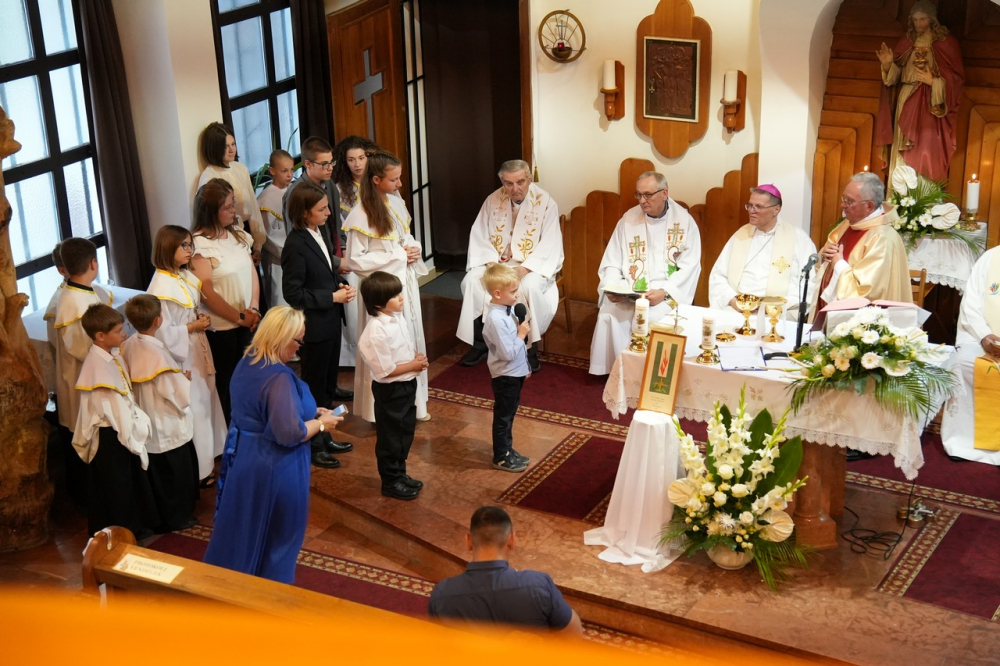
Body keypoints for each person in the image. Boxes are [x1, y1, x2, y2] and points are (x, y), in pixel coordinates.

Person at [203, 307, 344, 583]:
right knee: (280, 537)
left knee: (241, 530)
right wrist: (322, 424)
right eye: (298, 340)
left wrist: (308, 410)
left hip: (245, 459)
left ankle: (229, 587)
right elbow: (289, 433)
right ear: (281, 338)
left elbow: (262, 409)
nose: (300, 347)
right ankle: (269, 595)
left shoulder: (249, 360)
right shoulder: (278, 377)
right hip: (276, 466)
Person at [343, 150, 430, 423]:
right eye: (394, 180)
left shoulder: (395, 203)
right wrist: (399, 256)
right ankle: (379, 411)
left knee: (408, 336)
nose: (400, 184)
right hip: (381, 290)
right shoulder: (361, 213)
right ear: (376, 179)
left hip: (405, 283)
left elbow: (406, 236)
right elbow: (355, 260)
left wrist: (413, 249)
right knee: (386, 344)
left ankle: (414, 404)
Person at [588, 171, 702, 375]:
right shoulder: (628, 220)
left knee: (653, 317)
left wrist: (665, 292)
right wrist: (612, 287)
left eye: (648, 195)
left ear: (664, 193)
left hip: (663, 292)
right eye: (638, 195)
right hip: (630, 289)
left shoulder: (685, 222)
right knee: (608, 314)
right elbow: (612, 261)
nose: (642, 200)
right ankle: (619, 372)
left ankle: (649, 375)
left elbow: (690, 267)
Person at [457, 160, 563, 374]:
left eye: (520, 182)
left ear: (529, 179)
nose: (515, 189)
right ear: (502, 182)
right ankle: (480, 343)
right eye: (508, 183)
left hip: (531, 265)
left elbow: (550, 243)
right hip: (497, 262)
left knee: (528, 288)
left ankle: (529, 347)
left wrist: (523, 270)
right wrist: (492, 265)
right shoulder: (493, 199)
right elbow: (479, 235)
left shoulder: (545, 203)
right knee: (471, 282)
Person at [281, 182, 357, 469]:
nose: (328, 213)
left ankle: (325, 435)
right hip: (314, 327)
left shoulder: (319, 231)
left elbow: (324, 273)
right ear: (304, 213)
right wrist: (330, 297)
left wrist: (340, 284)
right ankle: (313, 445)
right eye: (322, 209)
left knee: (327, 386)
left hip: (330, 320)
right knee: (313, 389)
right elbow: (293, 293)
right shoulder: (295, 244)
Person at [147, 225, 227, 486]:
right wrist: (192, 326)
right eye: (183, 245)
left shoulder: (182, 275)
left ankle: (213, 451)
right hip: (182, 354)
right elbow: (162, 333)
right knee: (196, 405)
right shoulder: (160, 288)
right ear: (167, 247)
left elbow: (192, 307)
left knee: (207, 398)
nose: (189, 249)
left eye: (190, 243)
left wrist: (200, 320)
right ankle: (201, 469)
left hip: (197, 344)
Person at [72, 304, 159, 539]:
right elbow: (112, 410)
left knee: (128, 481)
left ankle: (134, 526)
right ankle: (118, 533)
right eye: (119, 331)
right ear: (100, 336)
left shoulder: (110, 355)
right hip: (111, 434)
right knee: (115, 486)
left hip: (120, 429)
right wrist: (133, 435)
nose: (124, 334)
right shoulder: (96, 367)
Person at [428, 506, 583, 635]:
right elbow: (573, 635)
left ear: (468, 541)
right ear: (511, 540)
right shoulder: (538, 585)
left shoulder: (441, 594)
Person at [121, 294, 199, 531]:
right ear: (158, 320)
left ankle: (161, 515)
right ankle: (176, 518)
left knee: (158, 473)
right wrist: (184, 380)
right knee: (174, 474)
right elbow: (174, 393)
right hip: (166, 423)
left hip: (145, 418)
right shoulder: (157, 357)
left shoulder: (128, 344)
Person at [189, 178, 262, 424]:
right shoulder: (199, 245)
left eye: (233, 204)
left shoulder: (237, 234)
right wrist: (239, 318)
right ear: (211, 211)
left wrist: (253, 308)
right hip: (223, 329)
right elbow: (206, 291)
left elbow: (251, 271)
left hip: (248, 319)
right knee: (229, 384)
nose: (234, 210)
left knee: (250, 379)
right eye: (228, 207)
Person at [357, 271, 428, 501]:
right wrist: (413, 365)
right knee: (391, 437)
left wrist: (415, 358)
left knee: (405, 432)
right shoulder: (375, 332)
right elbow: (385, 370)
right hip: (391, 390)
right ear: (378, 303)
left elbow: (403, 348)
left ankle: (400, 473)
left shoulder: (398, 318)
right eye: (394, 295)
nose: (401, 298)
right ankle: (390, 481)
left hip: (407, 384)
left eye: (399, 292)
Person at [810, 172, 912, 329]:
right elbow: (825, 259)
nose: (843, 205)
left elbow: (867, 292)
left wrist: (838, 264)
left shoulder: (882, 237)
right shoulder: (848, 224)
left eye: (849, 201)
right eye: (843, 199)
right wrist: (825, 256)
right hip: (829, 315)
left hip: (862, 328)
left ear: (869, 206)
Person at [875, 1, 964, 182]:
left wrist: (934, 82)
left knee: (925, 148)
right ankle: (900, 192)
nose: (918, 24)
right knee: (902, 146)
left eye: (923, 19)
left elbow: (957, 80)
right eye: (915, 20)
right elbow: (895, 79)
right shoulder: (907, 41)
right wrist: (888, 65)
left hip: (930, 105)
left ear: (932, 19)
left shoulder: (946, 43)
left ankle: (923, 194)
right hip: (906, 99)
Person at [708, 184, 817, 318]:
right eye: (749, 205)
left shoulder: (798, 238)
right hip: (737, 308)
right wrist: (732, 300)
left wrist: (773, 306)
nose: (751, 211)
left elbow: (809, 282)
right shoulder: (740, 235)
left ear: (776, 209)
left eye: (758, 207)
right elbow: (718, 275)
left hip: (777, 312)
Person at [941, 245, 1000, 466]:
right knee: (963, 361)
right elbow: (971, 303)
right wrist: (984, 336)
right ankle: (962, 443)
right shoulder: (991, 258)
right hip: (985, 339)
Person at [52, 237, 113, 432]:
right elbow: (82, 349)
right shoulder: (74, 302)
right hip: (84, 376)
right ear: (93, 263)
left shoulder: (81, 292)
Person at [481, 264, 532, 473]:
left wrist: (525, 367)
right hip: (506, 375)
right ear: (497, 293)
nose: (517, 295)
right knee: (503, 417)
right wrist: (521, 334)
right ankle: (501, 456)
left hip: (515, 372)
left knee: (510, 414)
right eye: (513, 291)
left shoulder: (507, 311)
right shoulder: (496, 320)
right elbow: (507, 353)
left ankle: (508, 450)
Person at [332, 135, 377, 367]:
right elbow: (337, 226)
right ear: (344, 161)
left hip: (377, 251)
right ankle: (352, 355)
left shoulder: (377, 181)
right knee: (353, 306)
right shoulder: (339, 189)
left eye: (361, 158)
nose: (357, 164)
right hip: (353, 252)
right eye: (351, 159)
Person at [197, 122, 266, 258]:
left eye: (233, 144)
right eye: (225, 146)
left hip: (247, 232)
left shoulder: (240, 169)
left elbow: (252, 206)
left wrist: (258, 243)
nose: (231, 150)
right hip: (228, 237)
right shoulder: (209, 177)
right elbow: (209, 219)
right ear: (215, 149)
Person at [258, 149, 296, 308]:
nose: (289, 175)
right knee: (280, 299)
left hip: (296, 254)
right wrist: (290, 252)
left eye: (291, 170)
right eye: (284, 171)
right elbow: (268, 235)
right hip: (278, 258)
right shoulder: (266, 198)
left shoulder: (294, 190)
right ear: (272, 171)